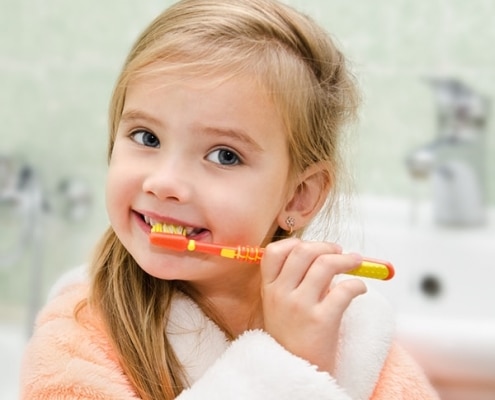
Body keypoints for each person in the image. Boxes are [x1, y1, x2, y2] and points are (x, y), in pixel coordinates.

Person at [20, 0, 439, 399]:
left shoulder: (352, 337)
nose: (165, 184)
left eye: (224, 155)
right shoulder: (73, 342)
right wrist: (287, 365)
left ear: (298, 196)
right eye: (146, 137)